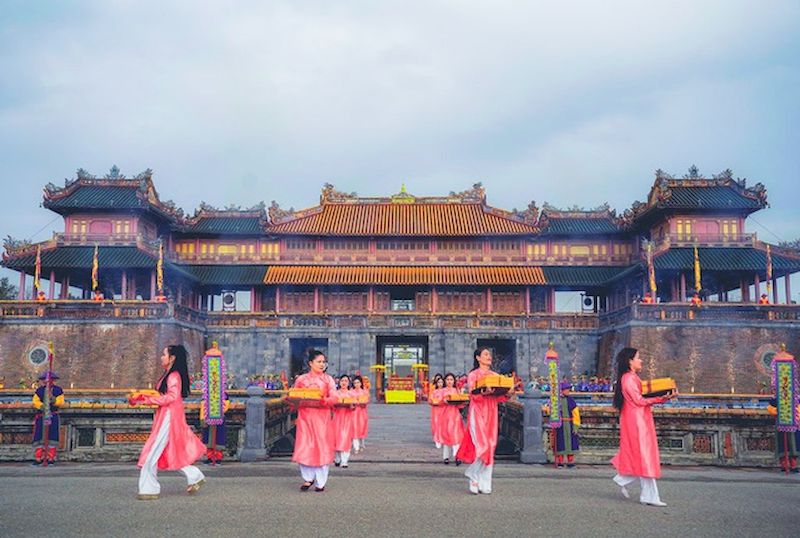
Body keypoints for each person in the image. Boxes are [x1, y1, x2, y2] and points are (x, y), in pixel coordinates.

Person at [129, 345, 206, 500]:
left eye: (164, 354)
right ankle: (195, 475)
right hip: (165, 416)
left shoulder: (173, 376)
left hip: (168, 417)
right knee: (171, 451)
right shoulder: (169, 375)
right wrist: (142, 397)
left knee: (152, 452)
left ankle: (148, 489)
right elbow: (163, 394)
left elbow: (172, 397)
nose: (161, 357)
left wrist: (148, 400)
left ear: (172, 358)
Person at [610, 347, 678, 507]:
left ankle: (641, 490)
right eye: (638, 358)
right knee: (645, 456)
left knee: (642, 456)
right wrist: (662, 398)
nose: (641, 361)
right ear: (630, 361)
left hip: (638, 419)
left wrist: (662, 396)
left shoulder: (630, 378)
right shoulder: (628, 379)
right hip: (637, 422)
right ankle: (641, 490)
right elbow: (639, 401)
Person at [457, 347, 511, 494]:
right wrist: (483, 393)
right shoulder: (473, 375)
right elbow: (473, 396)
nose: (489, 357)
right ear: (478, 358)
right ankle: (473, 474)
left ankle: (484, 482)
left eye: (489, 355)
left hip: (492, 413)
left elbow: (498, 397)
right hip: (478, 412)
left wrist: (508, 394)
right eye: (485, 354)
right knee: (483, 445)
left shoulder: (495, 375)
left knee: (491, 446)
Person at [290, 350, 338, 491]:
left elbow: (334, 397)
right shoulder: (302, 380)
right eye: (319, 361)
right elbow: (294, 396)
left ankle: (320, 482)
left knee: (321, 447)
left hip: (322, 417)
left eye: (323, 362)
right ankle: (308, 478)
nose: (322, 364)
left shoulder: (328, 380)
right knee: (306, 446)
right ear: (310, 363)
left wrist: (325, 400)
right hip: (305, 416)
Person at [32, 371, 64, 465]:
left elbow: (60, 402)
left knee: (52, 437)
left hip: (52, 415)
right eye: (44, 380)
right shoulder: (39, 391)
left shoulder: (58, 390)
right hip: (41, 416)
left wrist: (53, 400)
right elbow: (35, 402)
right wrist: (43, 406)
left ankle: (51, 457)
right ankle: (39, 457)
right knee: (39, 437)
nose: (47, 382)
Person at [437, 372, 465, 465]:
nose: (449, 381)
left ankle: (457, 456)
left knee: (456, 436)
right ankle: (446, 457)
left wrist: (463, 403)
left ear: (454, 381)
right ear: (445, 381)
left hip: (455, 415)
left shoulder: (457, 390)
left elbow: (460, 405)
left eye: (451, 379)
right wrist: (443, 401)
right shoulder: (442, 391)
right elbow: (437, 403)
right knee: (446, 436)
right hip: (445, 415)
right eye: (448, 379)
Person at [554, 382, 580, 468]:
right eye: (566, 389)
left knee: (571, 444)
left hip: (570, 424)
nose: (568, 391)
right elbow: (552, 411)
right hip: (560, 425)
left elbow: (576, 413)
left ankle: (570, 462)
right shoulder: (556, 400)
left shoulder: (571, 400)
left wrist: (576, 426)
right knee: (560, 443)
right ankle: (560, 462)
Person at [200, 391, 230, 465]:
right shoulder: (207, 392)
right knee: (208, 438)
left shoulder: (223, 394)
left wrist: (216, 411)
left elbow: (226, 404)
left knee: (218, 438)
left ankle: (218, 458)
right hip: (207, 417)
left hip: (218, 417)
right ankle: (210, 457)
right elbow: (203, 404)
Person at [332, 374, 356, 468]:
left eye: (346, 381)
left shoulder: (351, 394)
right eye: (342, 381)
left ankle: (344, 460)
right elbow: (331, 404)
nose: (344, 383)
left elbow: (354, 406)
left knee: (345, 438)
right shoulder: (335, 393)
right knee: (336, 438)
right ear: (339, 382)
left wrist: (351, 405)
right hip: (337, 417)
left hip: (347, 418)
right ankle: (337, 458)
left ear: (349, 383)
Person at [351, 375, 369, 454]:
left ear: (361, 383)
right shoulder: (351, 392)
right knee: (354, 428)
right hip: (354, 412)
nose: (356, 384)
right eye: (355, 383)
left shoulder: (364, 392)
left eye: (358, 382)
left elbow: (366, 401)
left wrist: (361, 402)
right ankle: (356, 446)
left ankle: (362, 443)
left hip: (362, 412)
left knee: (362, 427)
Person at [429, 374, 445, 449]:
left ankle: (442, 438)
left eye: (441, 382)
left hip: (444, 410)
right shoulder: (434, 391)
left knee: (443, 425)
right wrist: (433, 401)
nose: (440, 384)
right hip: (436, 410)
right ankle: (437, 440)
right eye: (439, 382)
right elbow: (430, 400)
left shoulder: (445, 391)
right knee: (436, 424)